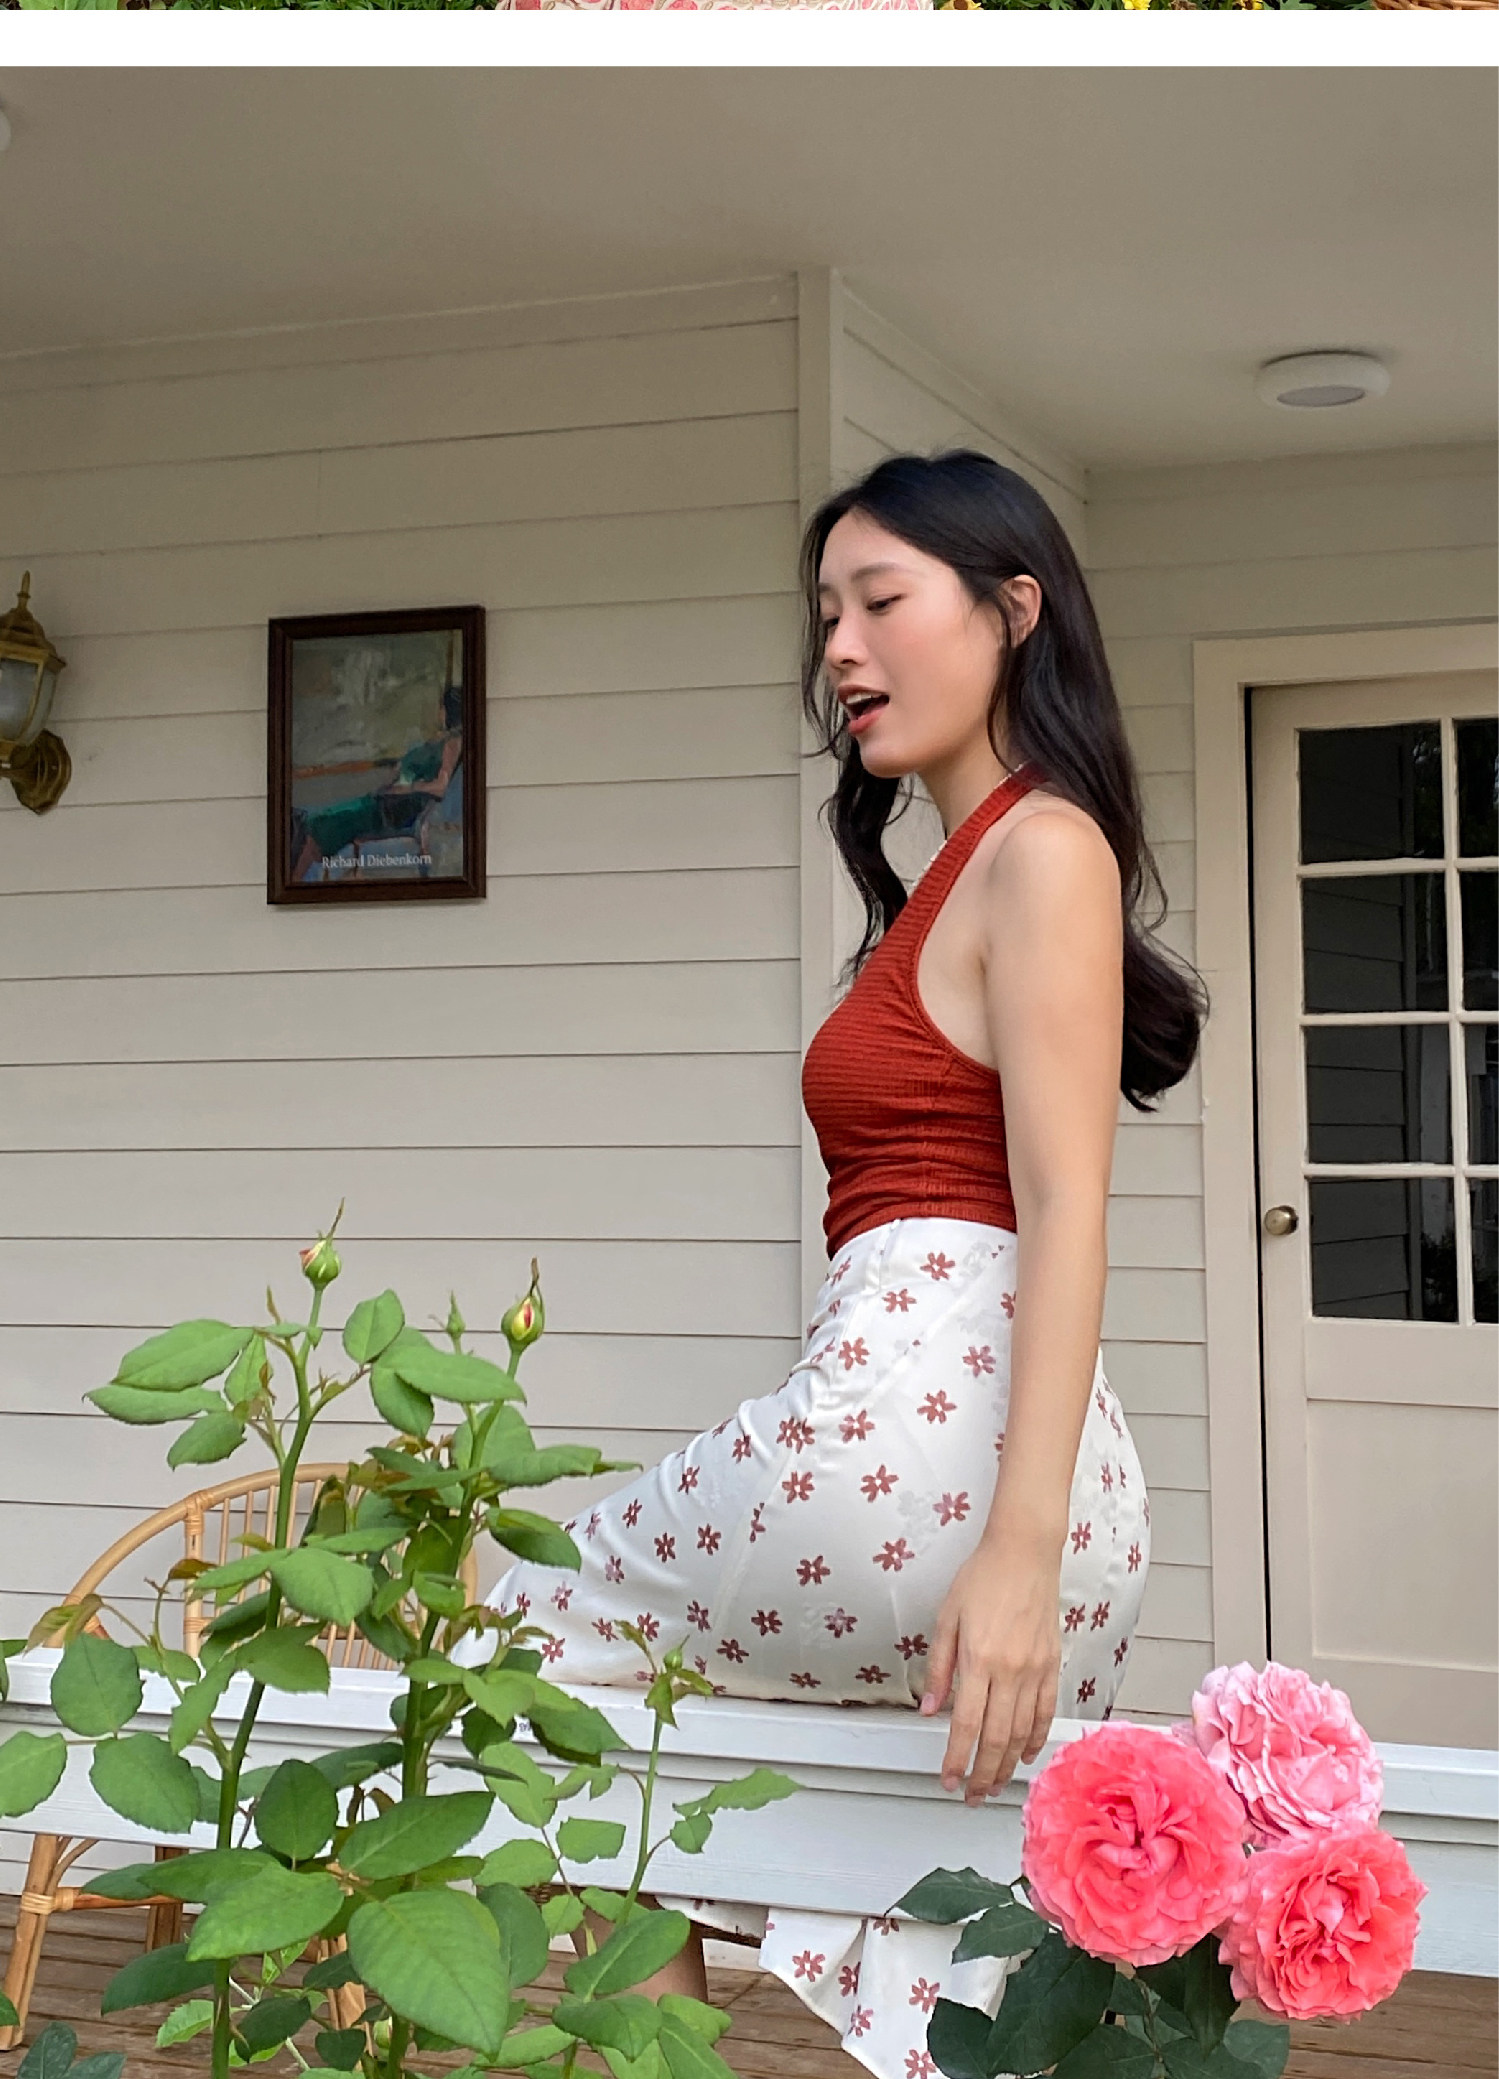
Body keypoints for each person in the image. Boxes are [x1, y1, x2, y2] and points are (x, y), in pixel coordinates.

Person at [483, 450, 1207, 2078]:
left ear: (1014, 612)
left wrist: (1018, 1552)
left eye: (881, 601)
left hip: (947, 1473)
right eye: (828, 615)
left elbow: (1067, 1205)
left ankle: (660, 2057)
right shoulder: (973, 867)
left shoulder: (1042, 847)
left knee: (519, 1627)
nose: (842, 649)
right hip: (972, 1475)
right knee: (831, 1839)